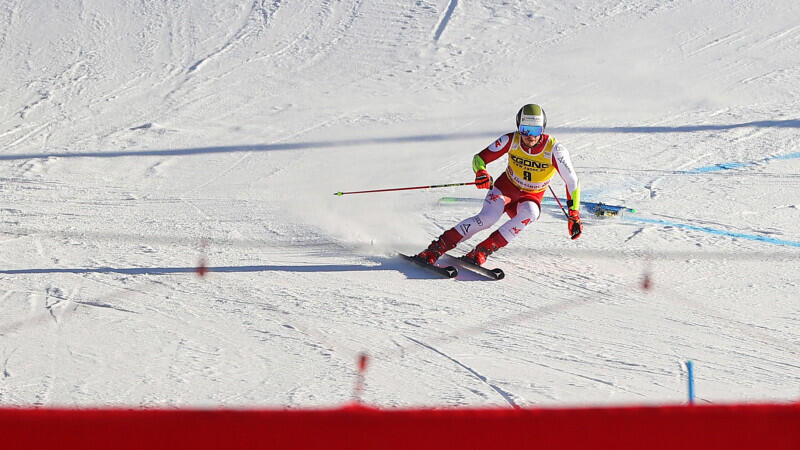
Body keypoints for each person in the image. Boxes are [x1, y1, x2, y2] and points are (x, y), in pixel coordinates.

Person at [417, 103, 583, 266]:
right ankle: (435, 249)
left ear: (543, 129)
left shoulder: (555, 150)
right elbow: (479, 158)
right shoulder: (511, 140)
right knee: (487, 219)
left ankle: (481, 251)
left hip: (531, 195)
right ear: (519, 127)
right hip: (506, 188)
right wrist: (481, 172)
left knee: (531, 212)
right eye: (525, 129)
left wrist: (574, 214)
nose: (530, 136)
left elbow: (572, 181)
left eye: (536, 130)